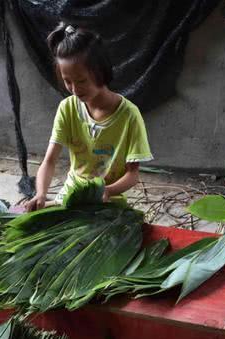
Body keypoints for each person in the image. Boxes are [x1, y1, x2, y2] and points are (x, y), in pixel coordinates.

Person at [24, 23, 153, 211]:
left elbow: (133, 174)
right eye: (68, 81)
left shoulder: (129, 116)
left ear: (100, 71)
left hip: (108, 198)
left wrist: (107, 191)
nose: (75, 90)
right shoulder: (67, 108)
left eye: (82, 81)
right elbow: (50, 160)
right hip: (72, 192)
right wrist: (41, 193)